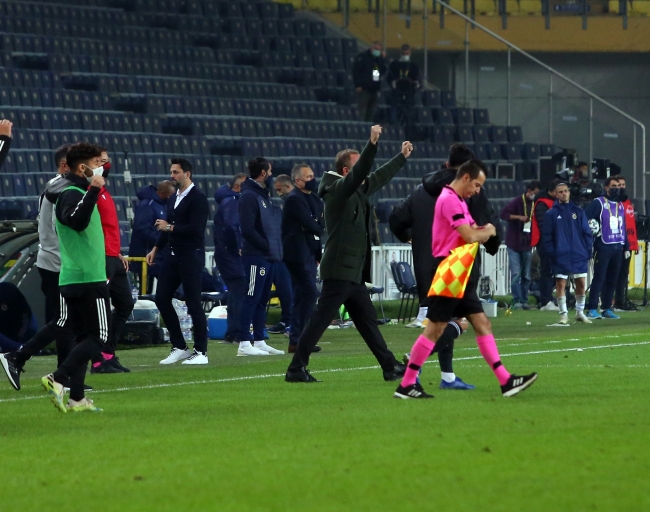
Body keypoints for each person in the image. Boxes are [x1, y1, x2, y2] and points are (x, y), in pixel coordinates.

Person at [395, 159, 538, 399]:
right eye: (477, 185)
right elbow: (470, 235)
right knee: (435, 330)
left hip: (459, 272)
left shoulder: (458, 200)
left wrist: (483, 232)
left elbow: (473, 233)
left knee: (482, 323)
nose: (477, 190)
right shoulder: (449, 200)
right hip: (450, 271)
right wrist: (489, 229)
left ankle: (505, 380)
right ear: (465, 178)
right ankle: (407, 383)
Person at [285, 125, 411, 383]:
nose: (363, 172)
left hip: (353, 272)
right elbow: (362, 173)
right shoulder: (338, 192)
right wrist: (372, 144)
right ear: (346, 171)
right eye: (357, 167)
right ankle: (296, 369)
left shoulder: (355, 190)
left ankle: (389, 366)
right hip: (340, 269)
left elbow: (377, 177)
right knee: (320, 321)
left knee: (367, 322)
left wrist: (401, 158)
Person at [390, 143, 501, 390]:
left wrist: (410, 236)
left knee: (444, 321)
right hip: (456, 267)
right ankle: (414, 367)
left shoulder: (420, 190)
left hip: (426, 267)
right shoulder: (467, 193)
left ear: (447, 162)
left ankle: (447, 376)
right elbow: (485, 220)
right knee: (457, 323)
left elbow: (396, 218)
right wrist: (492, 239)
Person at [0, 145, 80, 390]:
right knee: (64, 320)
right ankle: (19, 357)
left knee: (66, 320)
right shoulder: (59, 189)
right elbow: (63, 227)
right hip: (57, 264)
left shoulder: (55, 186)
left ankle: (63, 375)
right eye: (82, 165)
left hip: (56, 262)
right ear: (65, 165)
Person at [41, 141, 109, 412]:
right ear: (83, 168)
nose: (101, 168)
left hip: (75, 275)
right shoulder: (72, 193)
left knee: (82, 338)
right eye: (96, 163)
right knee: (99, 337)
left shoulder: (76, 191)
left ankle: (77, 398)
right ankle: (58, 378)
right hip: (87, 277)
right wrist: (94, 190)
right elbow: (77, 221)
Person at [147, 158, 210, 364]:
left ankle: (201, 352)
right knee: (161, 298)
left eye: (176, 172)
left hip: (191, 255)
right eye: (171, 172)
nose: (172, 176)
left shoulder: (198, 198)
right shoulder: (173, 197)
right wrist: (156, 248)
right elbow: (167, 227)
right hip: (173, 255)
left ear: (187, 174)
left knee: (193, 302)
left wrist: (169, 227)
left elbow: (196, 230)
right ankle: (180, 346)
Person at [90, 149, 134, 373]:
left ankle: (108, 353)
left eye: (107, 161)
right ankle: (97, 360)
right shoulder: (90, 192)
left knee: (125, 303)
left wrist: (116, 252)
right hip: (102, 257)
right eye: (101, 161)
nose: (106, 165)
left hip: (113, 256)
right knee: (101, 309)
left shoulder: (104, 192)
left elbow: (108, 227)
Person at [236, 157, 285, 356]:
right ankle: (243, 342)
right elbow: (247, 229)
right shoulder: (249, 196)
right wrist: (266, 246)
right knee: (251, 297)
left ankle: (258, 339)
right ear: (264, 173)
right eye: (270, 171)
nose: (271, 175)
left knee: (262, 299)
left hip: (268, 256)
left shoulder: (262, 195)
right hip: (256, 256)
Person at [282, 164, 324, 354]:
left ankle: (299, 340)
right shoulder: (294, 199)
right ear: (297, 181)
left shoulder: (314, 198)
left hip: (310, 253)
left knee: (303, 296)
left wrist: (313, 226)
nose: (312, 179)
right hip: (297, 254)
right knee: (309, 293)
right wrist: (313, 224)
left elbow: (319, 224)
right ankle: (299, 338)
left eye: (313, 175)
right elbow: (311, 224)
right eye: (308, 177)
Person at [542, 182, 594, 325]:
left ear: (569, 192)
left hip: (578, 253)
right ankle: (563, 315)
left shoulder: (579, 211)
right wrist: (552, 252)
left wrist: (587, 250)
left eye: (566, 191)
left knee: (581, 283)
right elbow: (547, 236)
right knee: (560, 284)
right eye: (561, 192)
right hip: (561, 255)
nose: (564, 194)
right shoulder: (551, 214)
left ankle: (579, 313)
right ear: (556, 194)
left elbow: (586, 232)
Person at [584, 177, 627, 320]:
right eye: (613, 186)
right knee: (599, 278)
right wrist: (593, 229)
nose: (617, 188)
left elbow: (623, 226)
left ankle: (606, 308)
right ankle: (592, 308)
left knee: (612, 279)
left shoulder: (620, 204)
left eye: (618, 186)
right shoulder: (599, 202)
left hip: (617, 246)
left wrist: (626, 246)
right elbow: (585, 218)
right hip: (603, 246)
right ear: (606, 188)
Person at [213, 173, 248, 344]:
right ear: (237, 187)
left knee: (235, 293)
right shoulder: (233, 201)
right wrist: (238, 247)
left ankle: (232, 332)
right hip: (231, 255)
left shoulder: (228, 200)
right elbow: (232, 226)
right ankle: (238, 333)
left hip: (225, 253)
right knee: (239, 292)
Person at [500, 181, 541, 310]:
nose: (535, 195)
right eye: (534, 193)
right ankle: (517, 299)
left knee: (526, 275)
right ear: (529, 191)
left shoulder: (536, 204)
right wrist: (519, 217)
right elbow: (503, 214)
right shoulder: (517, 201)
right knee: (516, 273)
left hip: (527, 243)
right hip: (513, 243)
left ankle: (524, 300)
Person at [129, 180, 175, 289]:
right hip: (145, 254)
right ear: (163, 193)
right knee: (146, 291)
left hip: (158, 256)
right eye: (170, 195)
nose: (171, 198)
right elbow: (142, 228)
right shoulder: (147, 205)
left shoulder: (161, 205)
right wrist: (161, 242)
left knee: (167, 287)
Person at [531, 179, 560, 311]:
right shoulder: (542, 203)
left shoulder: (554, 203)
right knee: (546, 271)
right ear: (553, 192)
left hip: (555, 241)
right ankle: (546, 301)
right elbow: (544, 225)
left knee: (554, 272)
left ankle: (550, 299)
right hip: (546, 242)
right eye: (560, 192)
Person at [614, 175, 638, 311]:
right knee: (615, 273)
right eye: (618, 185)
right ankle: (615, 301)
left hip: (629, 244)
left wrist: (634, 243)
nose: (621, 187)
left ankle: (620, 301)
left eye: (623, 184)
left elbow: (632, 225)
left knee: (623, 273)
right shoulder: (614, 204)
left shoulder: (629, 203)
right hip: (618, 243)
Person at [352, 41, 388, 122]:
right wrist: (358, 85)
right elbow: (356, 71)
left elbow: (383, 70)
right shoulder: (363, 57)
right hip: (364, 88)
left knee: (371, 113)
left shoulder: (378, 59)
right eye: (375, 48)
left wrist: (383, 59)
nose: (377, 51)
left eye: (379, 49)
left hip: (374, 89)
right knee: (362, 111)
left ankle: (368, 126)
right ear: (371, 48)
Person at [387, 44, 420, 126]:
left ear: (410, 53)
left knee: (410, 112)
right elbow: (389, 77)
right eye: (403, 54)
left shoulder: (414, 65)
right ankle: (394, 124)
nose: (405, 56)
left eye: (407, 54)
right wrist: (393, 83)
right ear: (400, 53)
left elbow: (417, 78)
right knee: (394, 108)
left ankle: (409, 125)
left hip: (409, 92)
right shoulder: (394, 64)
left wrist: (416, 84)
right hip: (397, 91)